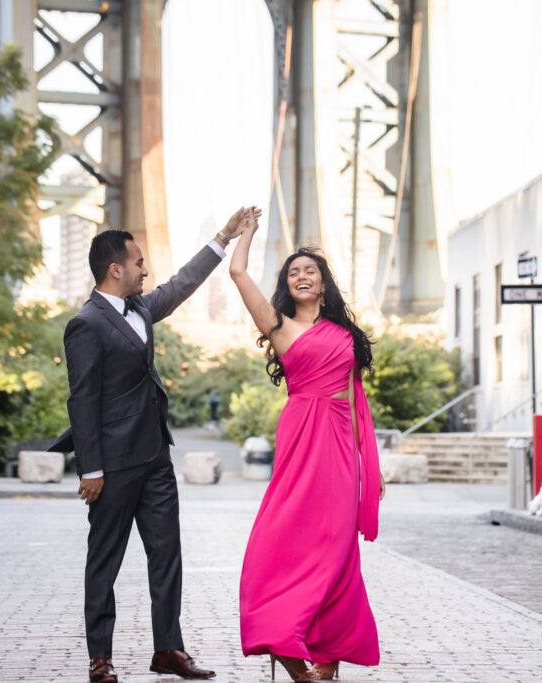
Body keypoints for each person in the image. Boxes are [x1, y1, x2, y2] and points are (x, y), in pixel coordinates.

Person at [52, 209, 250, 683]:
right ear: (115, 269)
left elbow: (182, 284)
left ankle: (168, 650)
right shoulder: (86, 324)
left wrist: (223, 237)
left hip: (155, 457)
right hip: (113, 466)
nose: (146, 270)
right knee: (105, 560)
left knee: (167, 555)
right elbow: (81, 401)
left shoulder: (140, 308)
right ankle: (100, 657)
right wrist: (90, 469)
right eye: (139, 263)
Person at [228, 208, 385, 682]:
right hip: (301, 438)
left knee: (338, 551)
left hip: (339, 445)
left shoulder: (344, 335)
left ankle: (327, 661)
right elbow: (237, 272)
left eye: (309, 271)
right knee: (281, 541)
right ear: (287, 284)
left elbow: (356, 405)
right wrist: (247, 233)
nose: (301, 276)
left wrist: (368, 470)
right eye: (293, 272)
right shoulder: (277, 326)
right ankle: (288, 648)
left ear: (322, 284)